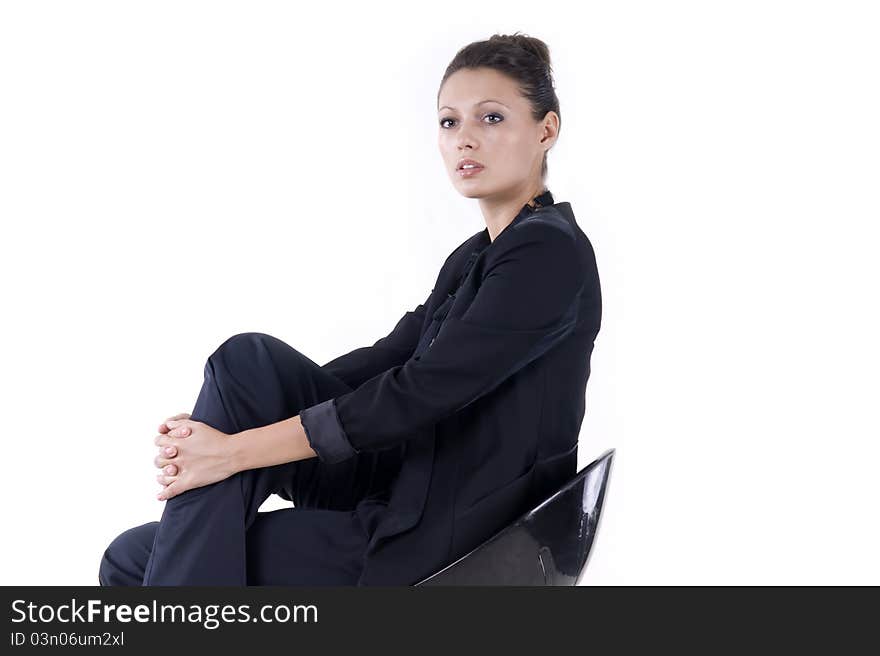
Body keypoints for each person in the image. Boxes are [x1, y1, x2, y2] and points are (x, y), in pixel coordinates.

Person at [98, 31, 602, 586]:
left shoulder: (548, 253)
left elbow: (420, 389)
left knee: (137, 563)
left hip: (443, 532)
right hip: (402, 482)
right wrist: (226, 428)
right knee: (247, 365)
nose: (464, 140)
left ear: (546, 130)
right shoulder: (478, 255)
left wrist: (239, 450)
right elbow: (389, 357)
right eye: (449, 121)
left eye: (491, 119)